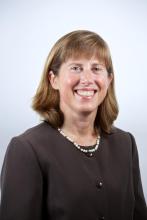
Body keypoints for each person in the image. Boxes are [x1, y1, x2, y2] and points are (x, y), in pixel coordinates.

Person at [0, 30, 147, 220]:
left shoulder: (125, 144)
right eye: (76, 68)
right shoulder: (26, 150)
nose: (87, 79)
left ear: (109, 80)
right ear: (53, 79)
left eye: (96, 68)